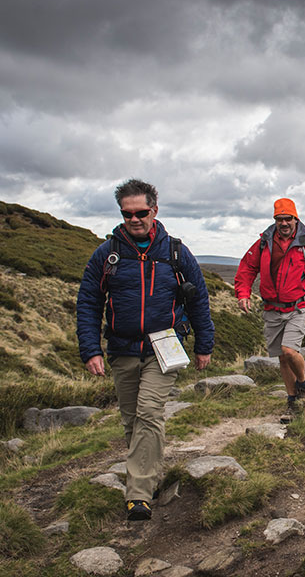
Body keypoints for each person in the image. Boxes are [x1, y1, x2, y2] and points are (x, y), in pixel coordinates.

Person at [76, 179, 214, 522]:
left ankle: (138, 495)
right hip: (122, 348)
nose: (134, 219)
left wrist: (203, 344)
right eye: (127, 213)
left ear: (155, 209)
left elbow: (199, 301)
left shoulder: (176, 252)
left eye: (141, 212)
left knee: (150, 412)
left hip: (164, 346)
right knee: (132, 420)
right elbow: (88, 303)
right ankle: (149, 474)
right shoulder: (106, 254)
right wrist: (91, 349)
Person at [234, 198, 305, 418]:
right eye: (279, 219)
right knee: (282, 358)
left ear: (296, 218)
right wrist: (243, 293)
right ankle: (293, 400)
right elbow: (247, 268)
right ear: (275, 220)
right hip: (272, 307)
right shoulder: (264, 242)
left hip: (299, 305)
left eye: (288, 219)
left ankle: (303, 382)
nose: (284, 223)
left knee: (289, 351)